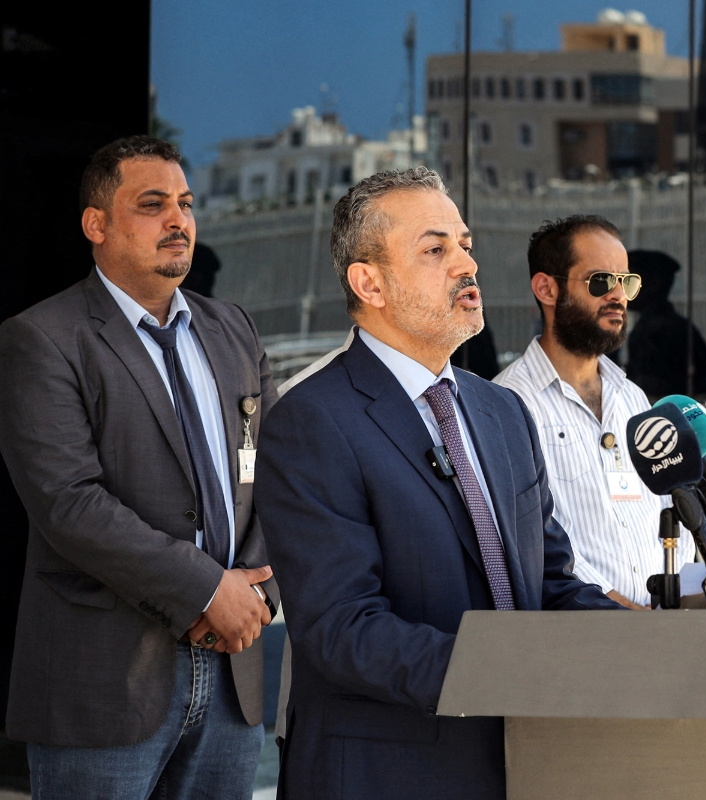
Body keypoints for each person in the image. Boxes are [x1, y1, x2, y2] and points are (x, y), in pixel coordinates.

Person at [254, 168, 620, 799]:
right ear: (369, 283)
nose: (466, 265)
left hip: (529, 762)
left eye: (466, 244)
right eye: (435, 249)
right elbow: (342, 627)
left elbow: (551, 584)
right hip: (388, 773)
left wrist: (645, 645)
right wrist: (509, 673)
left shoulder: (502, 411)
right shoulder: (312, 419)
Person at [0, 136, 277, 799]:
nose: (178, 220)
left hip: (232, 676)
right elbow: (69, 502)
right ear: (96, 224)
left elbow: (276, 476)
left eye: (186, 203)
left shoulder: (233, 329)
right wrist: (207, 592)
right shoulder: (43, 338)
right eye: (153, 205)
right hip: (104, 682)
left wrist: (255, 595)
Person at [494, 217, 697, 609]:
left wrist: (674, 607)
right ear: (547, 289)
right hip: (582, 633)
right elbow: (533, 542)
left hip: (661, 628)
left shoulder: (633, 398)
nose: (618, 295)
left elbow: (673, 512)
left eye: (627, 282)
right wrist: (624, 612)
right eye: (601, 281)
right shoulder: (507, 403)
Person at [624, 249, 706, 397]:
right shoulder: (658, 326)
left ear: (654, 284)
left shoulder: (661, 330)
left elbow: (652, 386)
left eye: (630, 280)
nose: (622, 287)